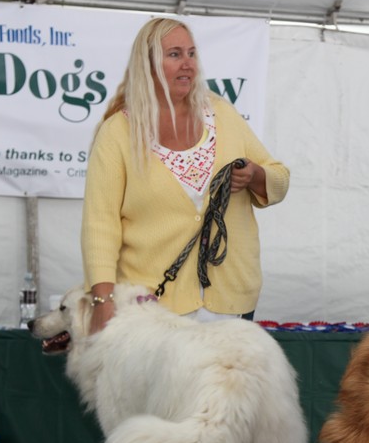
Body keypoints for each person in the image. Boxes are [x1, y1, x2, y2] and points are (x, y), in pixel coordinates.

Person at [82, 18, 289, 334]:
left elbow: (279, 178)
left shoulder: (222, 114)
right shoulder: (118, 132)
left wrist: (255, 175)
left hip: (231, 299)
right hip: (151, 306)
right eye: (175, 54)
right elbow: (100, 224)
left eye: (192, 53)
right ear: (147, 64)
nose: (188, 64)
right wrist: (102, 300)